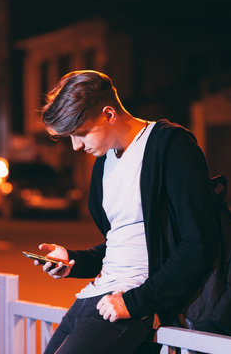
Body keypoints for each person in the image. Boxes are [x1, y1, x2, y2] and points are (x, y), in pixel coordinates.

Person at [35, 70, 220, 354]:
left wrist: (135, 303)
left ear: (109, 114)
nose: (76, 145)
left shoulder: (170, 146)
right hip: (98, 296)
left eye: (81, 133)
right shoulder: (105, 162)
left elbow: (198, 242)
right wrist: (74, 260)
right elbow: (124, 242)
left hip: (132, 301)